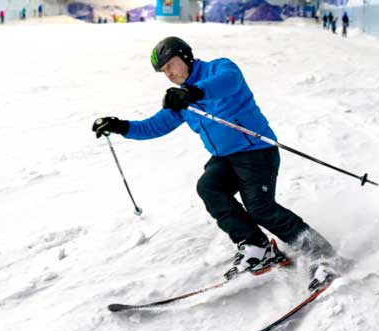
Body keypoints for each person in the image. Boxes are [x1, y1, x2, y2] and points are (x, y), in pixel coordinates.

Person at [91, 37, 347, 291]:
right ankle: (255, 245)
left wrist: (192, 93)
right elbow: (154, 126)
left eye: (170, 64)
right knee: (209, 187)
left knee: (260, 208)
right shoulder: (180, 100)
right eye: (162, 71)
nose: (167, 73)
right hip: (225, 158)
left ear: (186, 56)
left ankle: (325, 256)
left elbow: (228, 82)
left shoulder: (219, 69)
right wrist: (119, 126)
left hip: (256, 152)